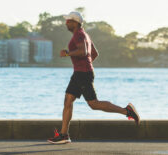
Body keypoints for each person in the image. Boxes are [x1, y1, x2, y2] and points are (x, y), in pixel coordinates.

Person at [47, 11, 140, 144]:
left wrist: (68, 53)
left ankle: (127, 111)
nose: (66, 23)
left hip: (82, 74)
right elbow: (94, 54)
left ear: (75, 22)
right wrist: (86, 64)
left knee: (93, 104)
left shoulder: (79, 35)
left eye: (68, 20)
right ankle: (64, 135)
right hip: (81, 73)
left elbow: (84, 51)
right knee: (68, 100)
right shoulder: (85, 35)